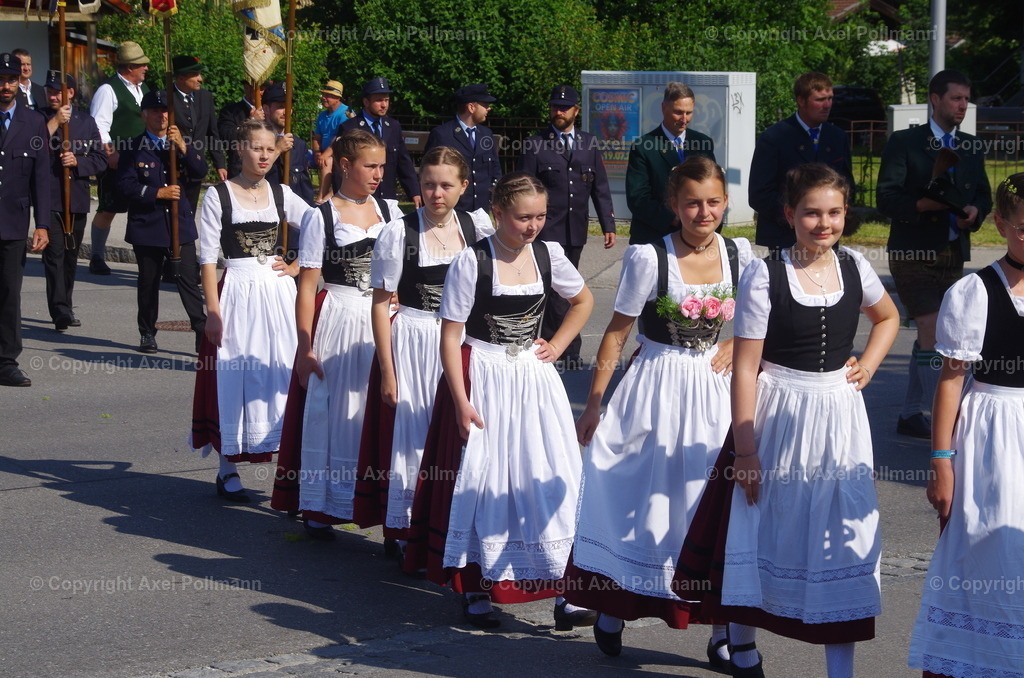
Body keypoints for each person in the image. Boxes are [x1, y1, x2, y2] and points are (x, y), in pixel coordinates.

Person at [676, 164, 899, 678]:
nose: (824, 224)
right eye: (812, 213)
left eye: (835, 212)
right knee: (763, 524)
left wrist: (868, 363)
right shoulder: (766, 273)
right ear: (789, 215)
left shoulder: (856, 267)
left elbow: (887, 317)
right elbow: (747, 366)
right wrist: (746, 450)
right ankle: (744, 646)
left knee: (837, 532)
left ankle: (839, 666)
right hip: (780, 412)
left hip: (839, 414)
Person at [566, 156, 752, 661]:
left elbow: (764, 320)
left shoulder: (741, 254)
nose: (704, 211)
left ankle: (721, 630)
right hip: (657, 387)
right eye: (692, 202)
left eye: (713, 201)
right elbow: (617, 332)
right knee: (645, 499)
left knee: (708, 505)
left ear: (726, 202)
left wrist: (737, 346)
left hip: (714, 392)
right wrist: (594, 405)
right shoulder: (650, 258)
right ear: (674, 205)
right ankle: (616, 604)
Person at [403, 172, 595, 629]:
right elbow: (450, 337)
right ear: (498, 214)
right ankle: (476, 583)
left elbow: (583, 301)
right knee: (485, 479)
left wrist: (559, 343)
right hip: (485, 373)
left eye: (540, 217)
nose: (533, 226)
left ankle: (564, 590)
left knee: (549, 473)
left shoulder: (549, 255)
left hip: (533, 378)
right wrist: (460, 399)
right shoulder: (473, 261)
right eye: (523, 217)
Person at [907, 174, 1024, 678]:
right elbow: (951, 382)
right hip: (993, 434)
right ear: (1000, 223)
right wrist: (941, 461)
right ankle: (981, 662)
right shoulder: (976, 290)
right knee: (990, 550)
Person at [352, 146, 493, 555]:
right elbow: (380, 303)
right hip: (414, 338)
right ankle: (405, 525)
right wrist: (388, 368)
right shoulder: (400, 231)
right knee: (412, 435)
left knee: (459, 432)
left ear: (464, 187)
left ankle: (450, 519)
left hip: (463, 341)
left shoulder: (476, 228)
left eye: (446, 185)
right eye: (429, 184)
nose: (436, 193)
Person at [270, 130, 402, 538]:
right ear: (345, 165)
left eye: (381, 165)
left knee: (377, 413)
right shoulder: (321, 215)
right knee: (337, 413)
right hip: (341, 317)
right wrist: (304, 347)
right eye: (370, 166)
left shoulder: (392, 212)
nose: (378, 174)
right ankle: (325, 502)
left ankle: (383, 506)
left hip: (383, 319)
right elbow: (307, 286)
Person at [190, 119, 310, 502]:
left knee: (280, 370)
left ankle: (288, 461)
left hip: (276, 292)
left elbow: (320, 225)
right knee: (233, 373)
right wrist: (212, 309)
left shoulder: (281, 192)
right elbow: (208, 259)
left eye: (270, 149)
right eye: (256, 147)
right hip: (237, 290)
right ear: (240, 149)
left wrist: (296, 265)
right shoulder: (218, 195)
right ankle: (227, 466)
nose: (264, 155)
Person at [877, 69, 992, 440]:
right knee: (931, 329)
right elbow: (886, 198)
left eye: (966, 99)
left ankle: (912, 414)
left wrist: (974, 214)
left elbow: (983, 197)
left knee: (936, 334)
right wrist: (923, 204)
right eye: (956, 98)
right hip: (912, 252)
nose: (962, 106)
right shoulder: (905, 142)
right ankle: (950, 430)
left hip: (951, 253)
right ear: (935, 99)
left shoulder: (972, 145)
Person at [518, 84, 615, 368]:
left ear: (576, 111)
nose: (558, 112)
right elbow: (524, 190)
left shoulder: (588, 143)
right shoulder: (535, 144)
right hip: (545, 232)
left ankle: (560, 346)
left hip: (575, 230)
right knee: (552, 291)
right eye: (554, 107)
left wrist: (608, 222)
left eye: (564, 108)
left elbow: (600, 186)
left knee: (570, 289)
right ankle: (561, 348)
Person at [117, 89, 207, 354]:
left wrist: (182, 147)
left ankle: (201, 331)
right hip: (148, 224)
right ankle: (147, 331)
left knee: (189, 280)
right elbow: (124, 185)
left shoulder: (182, 143)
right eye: (156, 111)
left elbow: (201, 171)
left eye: (166, 110)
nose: (162, 116)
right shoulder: (133, 148)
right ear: (145, 115)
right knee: (149, 282)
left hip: (180, 223)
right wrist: (157, 193)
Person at [748, 72, 855, 251]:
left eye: (830, 99)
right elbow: (760, 193)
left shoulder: (837, 137)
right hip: (784, 238)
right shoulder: (774, 137)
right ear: (801, 100)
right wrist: (798, 219)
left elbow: (848, 185)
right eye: (820, 100)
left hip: (825, 239)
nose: (827, 105)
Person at [41, 71, 107, 331]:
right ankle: (59, 311)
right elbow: (31, 148)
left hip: (76, 198)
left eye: (58, 91)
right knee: (54, 255)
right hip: (50, 198)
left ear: (70, 93)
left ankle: (65, 304)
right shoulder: (38, 118)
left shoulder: (85, 122)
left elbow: (101, 160)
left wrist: (78, 162)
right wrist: (56, 121)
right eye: (49, 90)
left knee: (70, 256)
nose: (52, 95)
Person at [0, 52, 51, 387]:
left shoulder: (32, 122)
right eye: (1, 80)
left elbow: (41, 176)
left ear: (20, 82)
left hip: (13, 221)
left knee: (8, 292)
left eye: (11, 80)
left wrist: (42, 223)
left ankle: (5, 361)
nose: (5, 86)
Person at [626, 82, 715, 245]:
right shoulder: (644, 146)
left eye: (689, 113)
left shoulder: (703, 143)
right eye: (678, 112)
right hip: (655, 237)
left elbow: (712, 185)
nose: (684, 119)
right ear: (663, 108)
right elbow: (638, 198)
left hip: (696, 236)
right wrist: (675, 218)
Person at [88, 40, 150, 275]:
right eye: (142, 64)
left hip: (142, 159)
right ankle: (96, 255)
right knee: (108, 208)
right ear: (129, 67)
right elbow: (98, 125)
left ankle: (147, 258)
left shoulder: (143, 89)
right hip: (117, 159)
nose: (146, 68)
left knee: (143, 207)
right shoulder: (108, 90)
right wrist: (110, 152)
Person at [323, 77, 421, 207]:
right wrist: (344, 200)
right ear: (366, 102)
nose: (384, 105)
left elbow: (404, 162)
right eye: (379, 100)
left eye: (386, 100)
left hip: (387, 200)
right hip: (359, 202)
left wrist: (414, 192)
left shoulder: (393, 126)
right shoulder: (350, 128)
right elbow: (340, 169)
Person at [423, 83, 502, 212]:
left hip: (481, 210)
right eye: (485, 105)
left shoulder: (486, 134)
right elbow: (428, 172)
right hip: (454, 210)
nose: (489, 108)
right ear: (471, 107)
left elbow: (495, 169)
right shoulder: (443, 135)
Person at [171, 55, 227, 213]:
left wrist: (220, 164)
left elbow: (212, 133)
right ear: (182, 77)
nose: (200, 79)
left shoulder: (205, 97)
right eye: (195, 75)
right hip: (173, 166)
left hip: (196, 165)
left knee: (190, 212)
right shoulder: (166, 97)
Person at [262, 82, 315, 207]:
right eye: (280, 106)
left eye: (289, 106)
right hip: (264, 212)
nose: (286, 112)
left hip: (292, 215)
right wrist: (277, 150)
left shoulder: (299, 144)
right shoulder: (255, 141)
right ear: (266, 109)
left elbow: (304, 188)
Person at [218, 80, 267, 179]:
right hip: (240, 173)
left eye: (264, 89)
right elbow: (228, 138)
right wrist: (251, 121)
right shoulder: (230, 111)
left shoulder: (270, 110)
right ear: (247, 88)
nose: (261, 92)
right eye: (259, 88)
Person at [311, 79, 350, 173]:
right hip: (324, 153)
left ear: (337, 98)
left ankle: (324, 188)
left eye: (328, 96)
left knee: (326, 162)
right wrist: (317, 153)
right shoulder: (322, 116)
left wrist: (324, 155)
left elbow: (340, 138)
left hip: (341, 153)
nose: (324, 98)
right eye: (324, 95)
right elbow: (317, 138)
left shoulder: (345, 113)